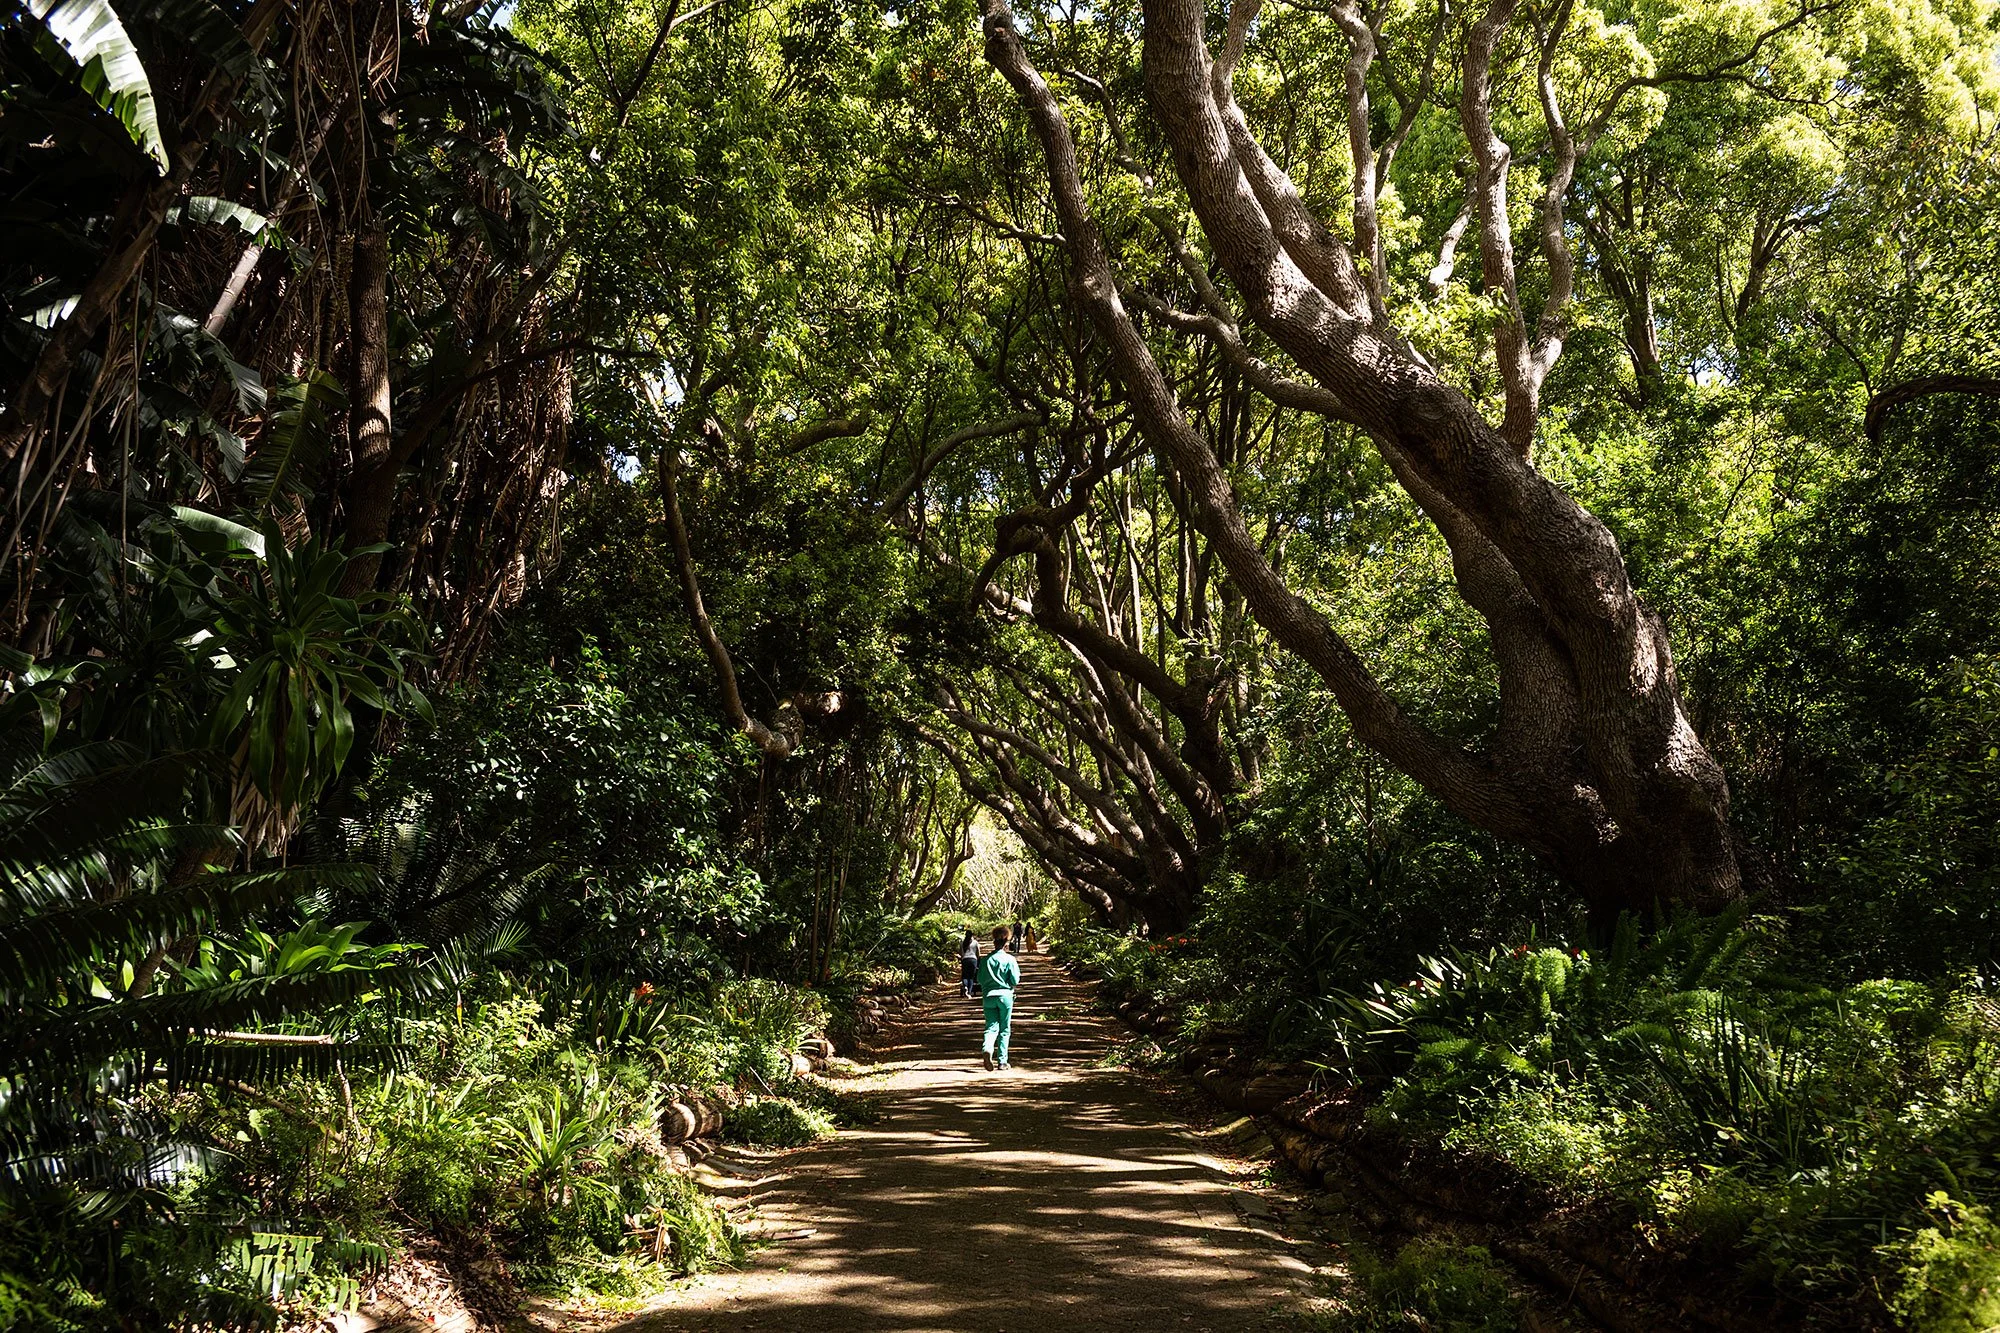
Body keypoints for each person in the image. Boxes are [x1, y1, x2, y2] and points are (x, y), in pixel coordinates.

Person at [976, 925, 1020, 1071]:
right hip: (1005, 997)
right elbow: (1015, 980)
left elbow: (980, 979)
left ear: (994, 941)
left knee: (991, 1026)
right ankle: (1002, 1061)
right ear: (1006, 942)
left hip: (988, 997)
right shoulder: (1010, 959)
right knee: (1004, 1029)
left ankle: (987, 1048)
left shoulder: (985, 960)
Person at [957, 929, 980, 999]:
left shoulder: (962, 942)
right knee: (971, 977)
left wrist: (962, 957)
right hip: (973, 960)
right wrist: (977, 959)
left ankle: (965, 986)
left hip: (965, 960)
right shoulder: (975, 942)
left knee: (965, 976)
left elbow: (960, 952)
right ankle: (969, 992)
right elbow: (978, 952)